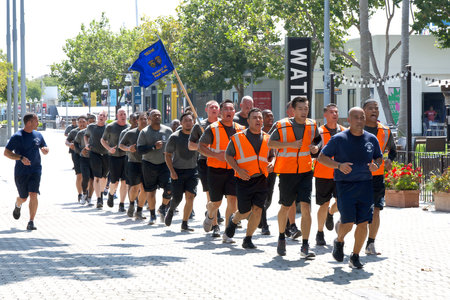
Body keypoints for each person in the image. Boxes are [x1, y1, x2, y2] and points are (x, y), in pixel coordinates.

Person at [318, 107, 383, 269]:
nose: (360, 121)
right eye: (356, 117)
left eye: (362, 117)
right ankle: (339, 241)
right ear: (349, 119)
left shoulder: (371, 138)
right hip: (345, 186)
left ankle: (355, 256)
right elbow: (321, 158)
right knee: (348, 222)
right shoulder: (339, 139)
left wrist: (376, 165)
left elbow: (379, 158)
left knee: (363, 222)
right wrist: (338, 166)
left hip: (365, 185)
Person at [268, 96, 320, 258]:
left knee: (306, 207)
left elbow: (318, 141)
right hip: (287, 172)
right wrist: (289, 144)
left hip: (305, 171)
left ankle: (305, 245)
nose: (304, 112)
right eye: (301, 109)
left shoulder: (312, 125)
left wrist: (315, 148)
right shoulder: (282, 125)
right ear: (293, 110)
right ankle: (282, 237)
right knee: (285, 206)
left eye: (306, 108)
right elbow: (270, 143)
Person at [224, 108, 275, 247]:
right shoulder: (238, 138)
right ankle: (234, 220)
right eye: (254, 118)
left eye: (260, 118)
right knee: (245, 211)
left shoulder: (267, 138)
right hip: (244, 179)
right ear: (248, 121)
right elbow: (228, 156)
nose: (258, 120)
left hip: (261, 179)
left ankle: (248, 239)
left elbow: (273, 155)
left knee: (258, 209)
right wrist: (238, 170)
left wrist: (272, 163)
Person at [199, 99, 245, 240]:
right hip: (215, 170)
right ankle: (210, 213)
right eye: (226, 109)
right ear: (221, 112)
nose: (229, 112)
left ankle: (227, 232)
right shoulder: (212, 128)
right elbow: (201, 147)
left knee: (232, 200)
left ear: (234, 111)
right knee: (216, 203)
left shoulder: (241, 129)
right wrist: (216, 155)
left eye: (231, 109)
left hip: (233, 170)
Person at [4, 113, 49, 230]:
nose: (38, 123)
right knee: (24, 197)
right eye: (36, 121)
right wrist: (20, 158)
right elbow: (6, 153)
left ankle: (31, 221)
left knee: (33, 194)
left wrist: (45, 149)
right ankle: (18, 204)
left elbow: (45, 146)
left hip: (36, 169)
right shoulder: (17, 136)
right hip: (21, 172)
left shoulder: (38, 135)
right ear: (29, 122)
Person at [363, 99, 396, 255]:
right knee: (357, 213)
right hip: (359, 176)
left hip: (377, 176)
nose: (374, 111)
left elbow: (393, 150)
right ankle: (340, 230)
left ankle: (370, 243)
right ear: (364, 111)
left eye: (376, 108)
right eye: (370, 108)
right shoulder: (356, 129)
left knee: (376, 209)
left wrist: (389, 159)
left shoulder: (385, 130)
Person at [313, 103, 345, 246]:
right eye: (331, 112)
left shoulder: (344, 132)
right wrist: (314, 149)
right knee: (323, 204)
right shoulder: (319, 132)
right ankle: (320, 233)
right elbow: (312, 151)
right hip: (323, 174)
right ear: (325, 115)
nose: (335, 114)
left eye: (336, 112)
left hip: (341, 174)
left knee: (341, 203)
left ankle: (331, 214)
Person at [188, 100, 222, 227]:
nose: (214, 109)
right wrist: (203, 147)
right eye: (211, 107)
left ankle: (211, 211)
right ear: (206, 110)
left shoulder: (224, 125)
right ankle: (215, 224)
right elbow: (190, 145)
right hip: (205, 162)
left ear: (219, 110)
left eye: (216, 107)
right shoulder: (199, 126)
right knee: (211, 193)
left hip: (223, 161)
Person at [137, 109, 173, 224]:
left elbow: (173, 147)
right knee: (151, 191)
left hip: (164, 164)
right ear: (150, 118)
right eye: (154, 115)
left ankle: (162, 207)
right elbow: (139, 150)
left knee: (169, 188)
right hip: (149, 164)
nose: (157, 117)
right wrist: (153, 147)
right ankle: (152, 215)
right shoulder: (144, 132)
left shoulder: (167, 130)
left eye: (159, 115)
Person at [164, 112, 199, 231]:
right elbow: (167, 155)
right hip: (177, 171)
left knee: (190, 197)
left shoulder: (198, 136)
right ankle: (171, 210)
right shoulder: (175, 137)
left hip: (192, 171)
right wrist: (172, 172)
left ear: (193, 122)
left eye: (190, 120)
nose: (188, 123)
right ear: (181, 123)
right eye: (186, 121)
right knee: (177, 198)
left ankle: (185, 223)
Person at [119, 112, 147, 220]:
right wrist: (128, 148)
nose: (143, 121)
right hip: (133, 162)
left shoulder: (150, 132)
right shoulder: (130, 133)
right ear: (137, 120)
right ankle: (131, 204)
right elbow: (120, 145)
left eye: (145, 119)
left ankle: (139, 211)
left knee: (145, 189)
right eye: (141, 119)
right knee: (134, 187)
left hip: (147, 163)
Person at [101, 108, 130, 212]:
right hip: (114, 157)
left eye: (124, 114)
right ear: (117, 115)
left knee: (125, 182)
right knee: (115, 182)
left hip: (126, 157)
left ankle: (122, 204)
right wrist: (109, 149)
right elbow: (102, 140)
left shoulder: (129, 127)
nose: (123, 116)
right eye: (121, 114)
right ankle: (111, 194)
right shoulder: (111, 127)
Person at [84, 111, 109, 209]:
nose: (102, 117)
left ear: (106, 118)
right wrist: (86, 144)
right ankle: (99, 199)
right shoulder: (91, 127)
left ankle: (101, 194)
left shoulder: (108, 128)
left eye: (104, 116)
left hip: (106, 154)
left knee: (104, 177)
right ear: (98, 117)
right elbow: (86, 135)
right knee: (97, 177)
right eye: (100, 115)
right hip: (94, 153)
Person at [258, 109, 276, 235]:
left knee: (269, 197)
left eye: (272, 116)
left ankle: (259, 219)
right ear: (262, 119)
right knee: (263, 197)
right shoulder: (259, 132)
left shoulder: (276, 132)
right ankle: (264, 225)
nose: (270, 118)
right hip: (260, 169)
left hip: (273, 169)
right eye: (268, 116)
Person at [74, 114, 95, 205]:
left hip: (95, 158)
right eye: (89, 121)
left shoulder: (96, 132)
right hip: (84, 158)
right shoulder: (81, 133)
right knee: (85, 177)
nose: (90, 123)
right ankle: (84, 194)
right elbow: (75, 143)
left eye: (91, 122)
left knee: (93, 179)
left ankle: (90, 197)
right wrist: (80, 152)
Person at [65, 116, 83, 202]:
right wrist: (70, 145)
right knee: (79, 175)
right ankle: (80, 194)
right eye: (80, 122)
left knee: (87, 176)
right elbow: (67, 141)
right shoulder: (73, 131)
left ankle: (86, 193)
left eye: (84, 122)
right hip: (76, 154)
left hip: (88, 156)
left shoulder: (90, 130)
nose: (82, 124)